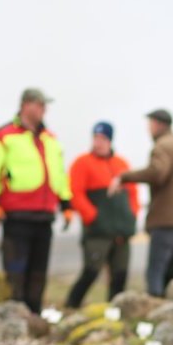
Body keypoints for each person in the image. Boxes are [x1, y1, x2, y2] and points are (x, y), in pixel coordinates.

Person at [0, 88, 74, 314]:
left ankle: (35, 316)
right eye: (40, 104)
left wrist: (66, 203)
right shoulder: (3, 135)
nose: (44, 110)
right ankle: (15, 316)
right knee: (15, 271)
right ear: (26, 105)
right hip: (16, 215)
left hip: (44, 216)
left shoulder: (50, 139)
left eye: (45, 105)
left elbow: (58, 173)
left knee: (38, 272)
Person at [108, 109, 173, 297]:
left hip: (166, 222)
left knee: (155, 273)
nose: (148, 129)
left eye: (149, 124)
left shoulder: (163, 146)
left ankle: (155, 310)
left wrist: (124, 177)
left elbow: (157, 173)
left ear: (158, 124)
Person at [65, 121, 139, 307]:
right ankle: (71, 305)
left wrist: (131, 215)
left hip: (121, 231)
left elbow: (133, 194)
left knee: (120, 273)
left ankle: (114, 311)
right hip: (97, 232)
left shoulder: (121, 164)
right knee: (91, 271)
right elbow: (75, 193)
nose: (99, 142)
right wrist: (93, 217)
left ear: (110, 140)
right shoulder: (82, 163)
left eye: (103, 138)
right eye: (96, 138)